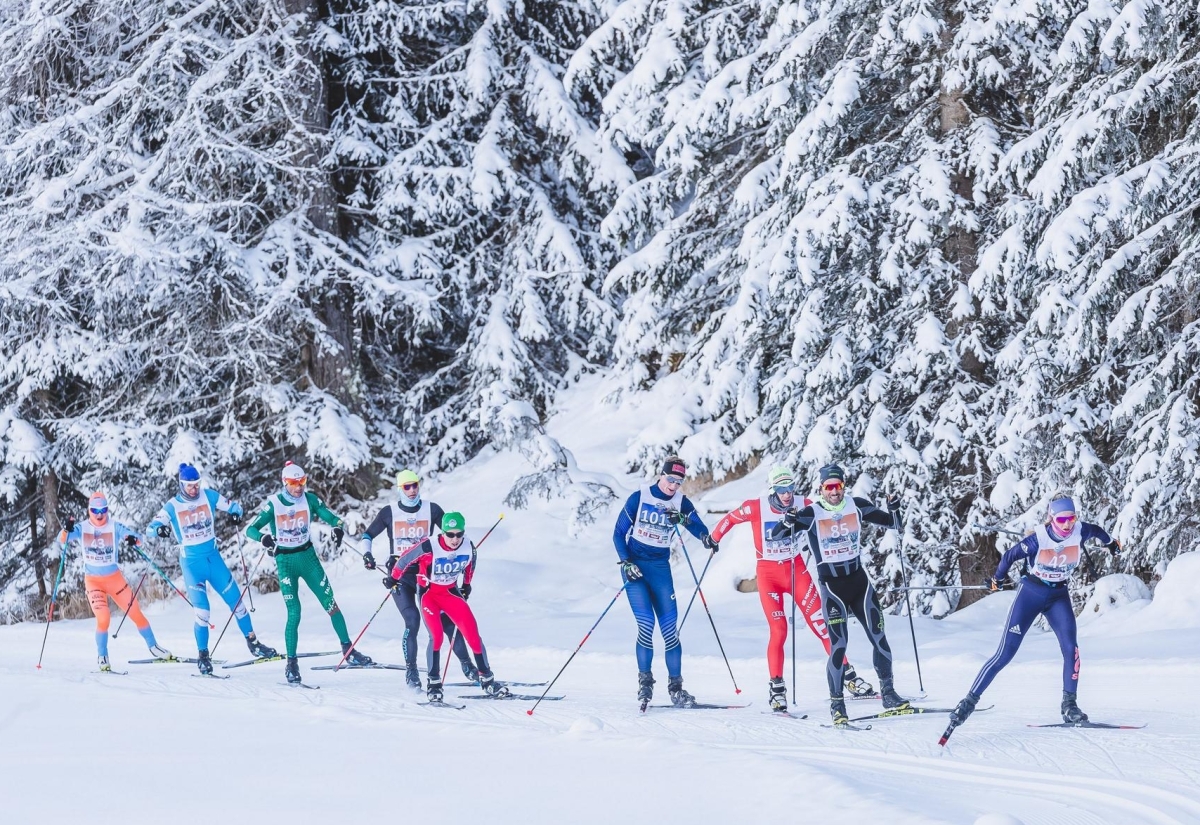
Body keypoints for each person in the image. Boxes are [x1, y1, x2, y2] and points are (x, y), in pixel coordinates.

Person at [946, 494, 1120, 732]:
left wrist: (1111, 543)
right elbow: (1009, 556)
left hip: (1058, 596)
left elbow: (1098, 531)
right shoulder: (1038, 539)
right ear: (1051, 518)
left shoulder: (1080, 531)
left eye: (1071, 518)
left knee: (1072, 649)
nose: (1067, 524)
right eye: (1061, 520)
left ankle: (1069, 705)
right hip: (1031, 594)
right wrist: (997, 580)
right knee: (1005, 654)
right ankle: (968, 703)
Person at [710, 465, 873, 711]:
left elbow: (825, 514)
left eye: (790, 488)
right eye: (781, 489)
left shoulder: (803, 503)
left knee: (823, 625)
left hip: (796, 571)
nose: (787, 494)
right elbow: (730, 519)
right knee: (779, 630)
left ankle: (847, 676)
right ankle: (777, 689)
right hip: (769, 575)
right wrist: (714, 538)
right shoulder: (756, 507)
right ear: (772, 489)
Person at [771, 463, 904, 725]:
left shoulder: (857, 505)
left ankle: (889, 694)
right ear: (821, 488)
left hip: (859, 584)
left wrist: (895, 507)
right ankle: (837, 706)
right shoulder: (811, 513)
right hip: (833, 589)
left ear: (844, 486)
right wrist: (787, 521)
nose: (834, 491)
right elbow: (777, 535)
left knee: (879, 638)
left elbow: (894, 523)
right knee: (839, 647)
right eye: (829, 487)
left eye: (838, 486)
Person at [245, 461, 372, 684]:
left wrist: (337, 527)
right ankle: (291, 664)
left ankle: (348, 650)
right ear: (285, 482)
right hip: (285, 562)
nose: (299, 487)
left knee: (331, 604)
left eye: (302, 481)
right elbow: (251, 529)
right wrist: (264, 538)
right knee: (294, 613)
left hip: (308, 558)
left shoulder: (309, 499)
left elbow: (333, 518)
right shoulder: (274, 504)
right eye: (294, 483)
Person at [613, 455, 719, 708]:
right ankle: (645, 683)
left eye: (678, 482)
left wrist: (695, 529)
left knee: (670, 631)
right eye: (670, 479)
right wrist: (626, 562)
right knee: (646, 625)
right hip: (635, 568)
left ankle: (676, 689)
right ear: (661, 475)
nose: (673, 485)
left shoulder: (680, 502)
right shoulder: (639, 497)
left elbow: (699, 527)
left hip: (660, 569)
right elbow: (618, 533)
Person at [148, 464, 276, 675]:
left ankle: (254, 643)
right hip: (192, 565)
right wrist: (159, 529)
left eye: (197, 484)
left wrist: (235, 514)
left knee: (238, 603)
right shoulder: (173, 506)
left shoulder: (209, 496)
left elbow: (235, 507)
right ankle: (203, 655)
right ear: (181, 485)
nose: (194, 489)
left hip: (214, 560)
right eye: (189, 486)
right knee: (202, 612)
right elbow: (150, 529)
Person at [360, 470, 480, 688]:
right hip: (402, 575)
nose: (412, 490)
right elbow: (367, 535)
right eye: (407, 486)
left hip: (429, 575)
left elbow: (451, 532)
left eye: (415, 485)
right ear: (400, 489)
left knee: (448, 624)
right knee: (412, 621)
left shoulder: (431, 509)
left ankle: (467, 665)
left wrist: (461, 555)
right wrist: (367, 554)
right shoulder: (389, 512)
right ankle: (412, 671)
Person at [381, 512, 507, 700]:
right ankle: (434, 684)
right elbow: (405, 559)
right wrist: (393, 578)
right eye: (450, 534)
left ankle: (487, 680)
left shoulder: (469, 546)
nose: (455, 539)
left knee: (472, 635)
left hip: (450, 593)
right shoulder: (428, 546)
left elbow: (470, 566)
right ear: (443, 532)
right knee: (437, 637)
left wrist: (466, 585)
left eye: (459, 534)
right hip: (429, 595)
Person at [56, 492, 173, 670]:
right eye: (95, 511)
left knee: (135, 612)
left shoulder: (113, 526)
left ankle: (154, 647)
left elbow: (136, 538)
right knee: (103, 618)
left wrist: (132, 539)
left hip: (114, 579)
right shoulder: (82, 527)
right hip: (93, 582)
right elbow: (62, 539)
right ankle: (102, 656)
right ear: (89, 510)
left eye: (103, 510)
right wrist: (66, 529)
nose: (99, 514)